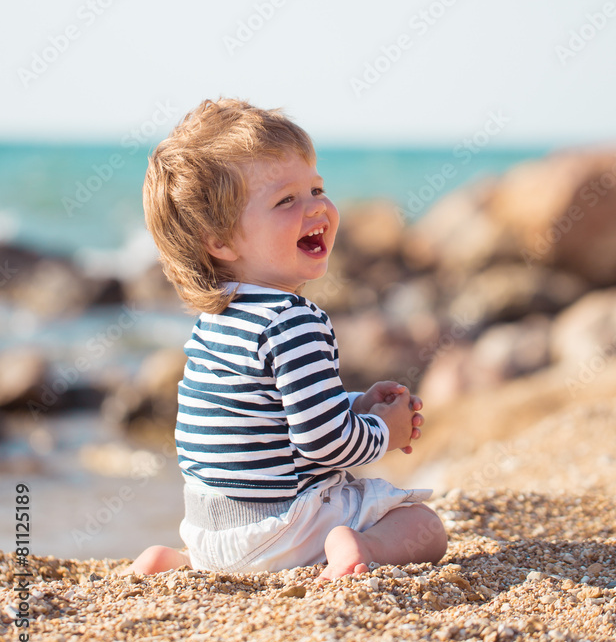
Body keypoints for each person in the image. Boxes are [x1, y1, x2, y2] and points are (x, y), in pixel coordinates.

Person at [123, 98, 447, 579]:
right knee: (424, 526)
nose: (316, 206)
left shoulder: (217, 320)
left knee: (238, 546)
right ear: (221, 241)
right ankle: (354, 545)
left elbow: (272, 417)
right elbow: (322, 445)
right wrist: (387, 433)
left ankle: (181, 563)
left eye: (316, 188)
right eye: (286, 200)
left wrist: (356, 406)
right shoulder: (291, 320)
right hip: (283, 530)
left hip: (210, 533)